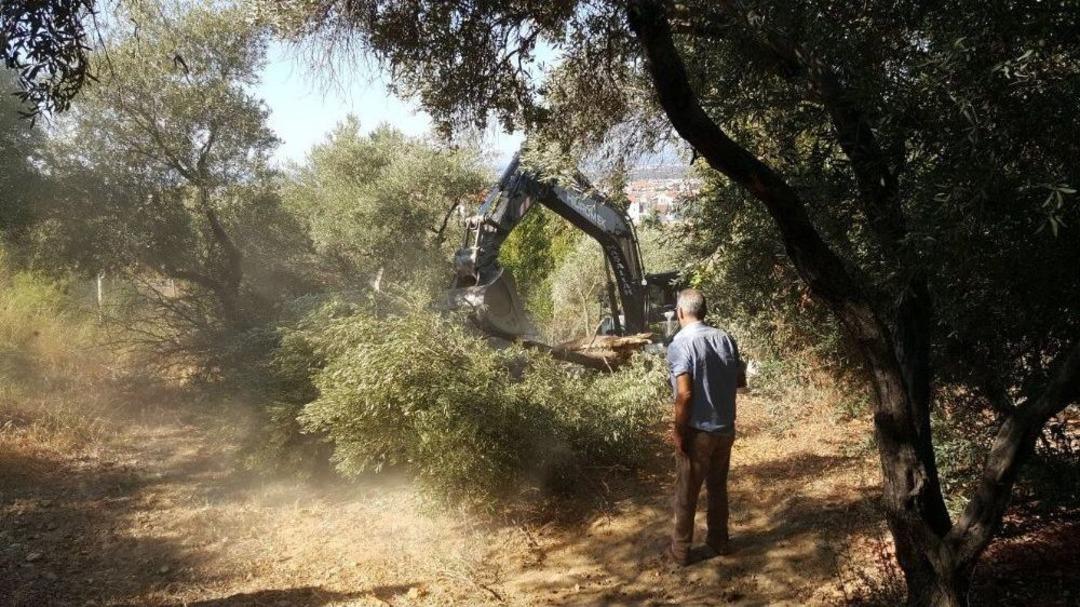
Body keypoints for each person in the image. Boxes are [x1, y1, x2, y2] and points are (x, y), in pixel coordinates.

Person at [664, 288, 743, 566]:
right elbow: (740, 379)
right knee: (718, 487)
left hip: (698, 431)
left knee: (686, 492)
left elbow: (684, 393)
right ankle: (719, 541)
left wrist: (678, 429)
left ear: (681, 312)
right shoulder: (725, 338)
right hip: (725, 428)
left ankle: (680, 552)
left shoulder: (679, 344)